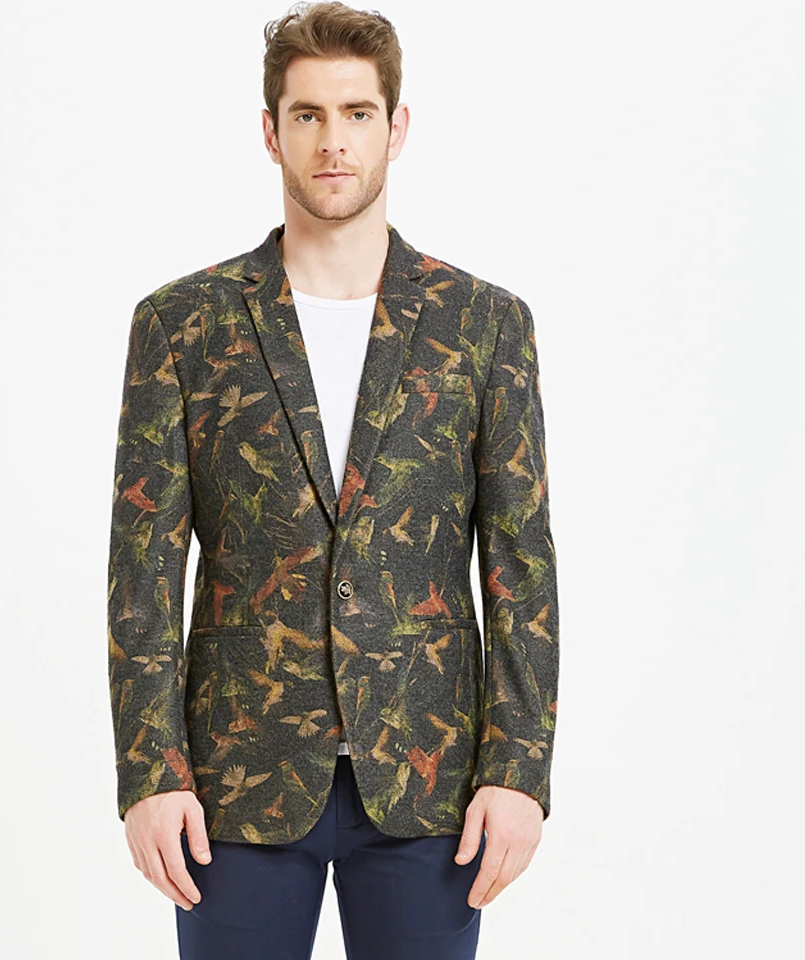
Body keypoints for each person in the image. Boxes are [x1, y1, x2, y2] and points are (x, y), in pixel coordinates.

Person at [107, 3, 560, 957]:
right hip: (235, 782)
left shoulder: (484, 325)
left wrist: (518, 768)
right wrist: (151, 771)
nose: (333, 141)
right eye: (307, 114)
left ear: (398, 127)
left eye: (357, 113)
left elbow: (520, 562)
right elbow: (142, 569)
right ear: (271, 132)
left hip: (430, 778)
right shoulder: (183, 325)